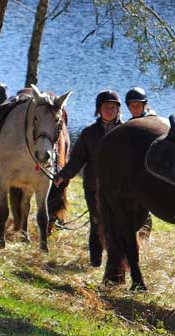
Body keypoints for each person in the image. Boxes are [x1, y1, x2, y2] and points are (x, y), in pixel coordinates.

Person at [54, 90, 123, 269]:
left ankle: (116, 263)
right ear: (98, 110)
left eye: (113, 107)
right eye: (106, 107)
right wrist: (63, 175)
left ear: (118, 110)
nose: (110, 110)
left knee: (118, 224)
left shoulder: (126, 132)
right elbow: (77, 160)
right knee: (97, 222)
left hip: (120, 188)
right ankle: (95, 262)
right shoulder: (89, 133)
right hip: (94, 187)